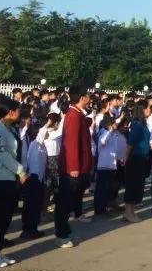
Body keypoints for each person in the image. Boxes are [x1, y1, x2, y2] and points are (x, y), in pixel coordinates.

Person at [0, 98, 27, 268]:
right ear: (10, 112)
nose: (20, 113)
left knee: (4, 219)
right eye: (18, 110)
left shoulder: (10, 129)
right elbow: (3, 155)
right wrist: (20, 170)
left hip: (9, 179)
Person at [55, 89, 93, 247]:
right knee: (65, 202)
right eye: (88, 96)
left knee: (69, 201)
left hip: (80, 166)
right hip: (72, 169)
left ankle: (66, 232)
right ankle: (61, 235)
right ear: (82, 97)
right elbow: (70, 144)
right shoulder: (73, 115)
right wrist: (73, 167)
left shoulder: (78, 114)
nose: (90, 98)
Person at [123, 102, 150, 223]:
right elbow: (130, 144)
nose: (150, 110)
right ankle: (128, 212)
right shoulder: (137, 125)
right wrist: (126, 159)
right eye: (148, 108)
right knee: (133, 185)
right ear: (143, 110)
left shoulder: (142, 124)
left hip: (142, 157)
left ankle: (131, 211)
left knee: (138, 186)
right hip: (135, 159)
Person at [20, 121, 47, 238]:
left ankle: (30, 229)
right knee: (33, 206)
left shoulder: (39, 144)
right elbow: (41, 134)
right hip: (34, 177)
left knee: (32, 205)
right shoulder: (36, 143)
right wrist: (48, 123)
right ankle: (30, 229)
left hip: (38, 177)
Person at [93, 115, 119, 217]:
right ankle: (99, 209)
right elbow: (103, 141)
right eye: (114, 123)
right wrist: (110, 131)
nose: (116, 124)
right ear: (109, 125)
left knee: (107, 188)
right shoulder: (104, 133)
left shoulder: (113, 134)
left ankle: (103, 207)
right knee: (101, 189)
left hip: (111, 165)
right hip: (104, 165)